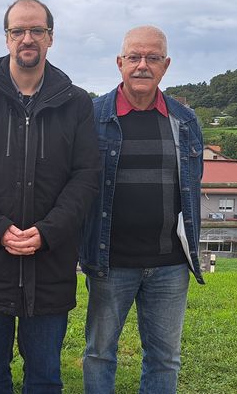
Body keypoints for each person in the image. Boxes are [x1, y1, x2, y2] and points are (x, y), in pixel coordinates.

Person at [0, 0, 100, 393]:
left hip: (49, 264)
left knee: (45, 376)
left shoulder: (75, 101)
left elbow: (87, 175)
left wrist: (48, 230)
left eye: (36, 31)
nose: (27, 38)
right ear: (7, 38)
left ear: (50, 38)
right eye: (18, 31)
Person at [80, 25, 204, 394]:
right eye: (134, 57)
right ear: (120, 63)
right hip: (110, 262)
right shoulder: (92, 116)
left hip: (169, 264)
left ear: (165, 65)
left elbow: (190, 189)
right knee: (100, 353)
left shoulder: (185, 120)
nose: (142, 65)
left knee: (165, 357)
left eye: (152, 58)